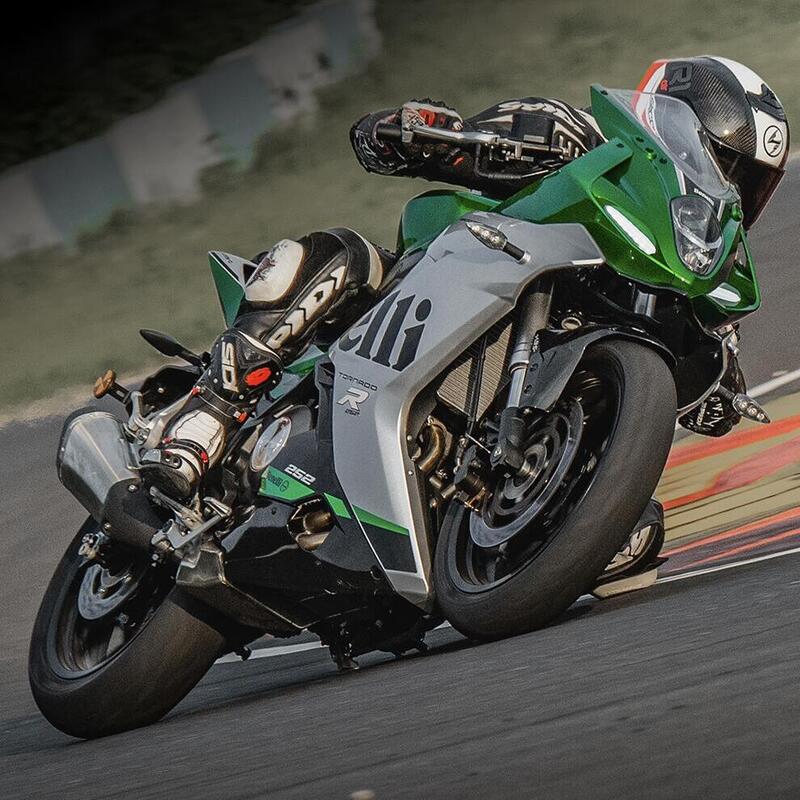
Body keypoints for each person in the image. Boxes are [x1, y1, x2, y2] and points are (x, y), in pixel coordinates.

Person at [141, 56, 789, 523]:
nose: (727, 185)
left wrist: (715, 386)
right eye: (721, 160)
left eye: (746, 180)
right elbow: (468, 142)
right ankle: (210, 413)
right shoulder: (573, 138)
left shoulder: (695, 284)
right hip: (445, 291)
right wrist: (425, 133)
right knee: (342, 254)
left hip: (507, 426)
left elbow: (711, 398)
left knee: (638, 535)